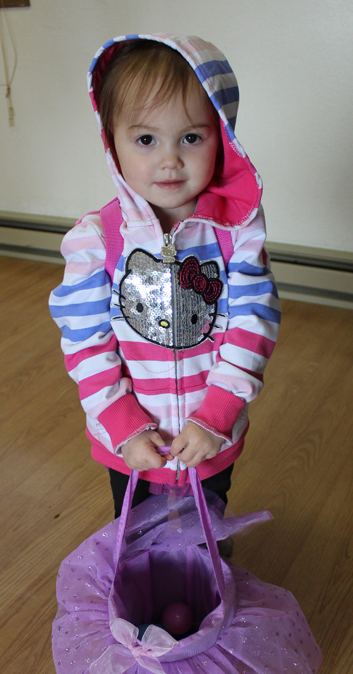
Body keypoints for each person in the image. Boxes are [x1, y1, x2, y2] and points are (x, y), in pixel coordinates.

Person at [49, 34, 281, 519]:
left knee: (207, 523)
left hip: (212, 432)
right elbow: (85, 341)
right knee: (133, 530)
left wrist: (217, 414)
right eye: (146, 139)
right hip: (131, 437)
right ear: (111, 140)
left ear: (222, 138)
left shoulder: (236, 232)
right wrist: (122, 423)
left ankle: (206, 568)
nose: (170, 159)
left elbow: (253, 324)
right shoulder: (97, 238)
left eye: (191, 138)